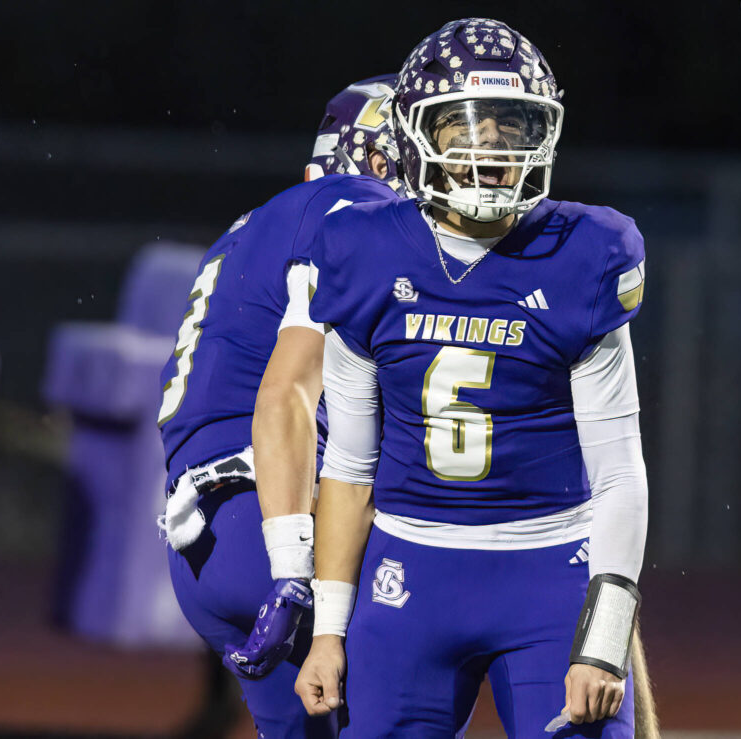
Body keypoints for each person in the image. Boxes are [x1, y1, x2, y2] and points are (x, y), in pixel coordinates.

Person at [299, 18, 657, 738]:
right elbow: (348, 464)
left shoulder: (583, 254)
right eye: (467, 125)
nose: (491, 150)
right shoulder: (364, 250)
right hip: (409, 574)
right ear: (414, 131)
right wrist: (329, 627)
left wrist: (604, 634)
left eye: (513, 126)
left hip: (550, 569)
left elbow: (618, 470)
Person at [157, 75, 401, 739]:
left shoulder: (249, 229)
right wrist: (292, 563)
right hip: (274, 515)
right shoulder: (356, 207)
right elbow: (290, 393)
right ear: (383, 161)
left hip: (201, 540)